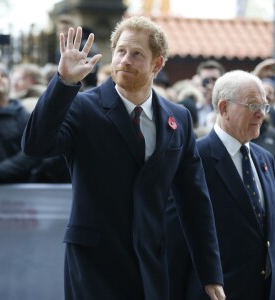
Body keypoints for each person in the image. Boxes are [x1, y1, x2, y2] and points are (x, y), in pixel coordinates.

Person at [22, 16, 225, 300]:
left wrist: (210, 273)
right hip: (93, 265)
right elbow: (35, 146)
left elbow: (195, 201)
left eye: (137, 54)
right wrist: (63, 83)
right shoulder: (81, 106)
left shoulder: (179, 118)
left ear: (158, 64)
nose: (125, 60)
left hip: (151, 263)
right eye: (120, 51)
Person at [168, 70, 275, 299]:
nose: (261, 115)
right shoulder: (193, 158)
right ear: (224, 108)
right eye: (253, 105)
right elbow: (175, 243)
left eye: (264, 106)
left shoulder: (265, 159)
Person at [0, 66, 40, 187]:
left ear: (10, 86)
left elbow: (32, 153)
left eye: (3, 76)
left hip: (13, 190)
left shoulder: (23, 115)